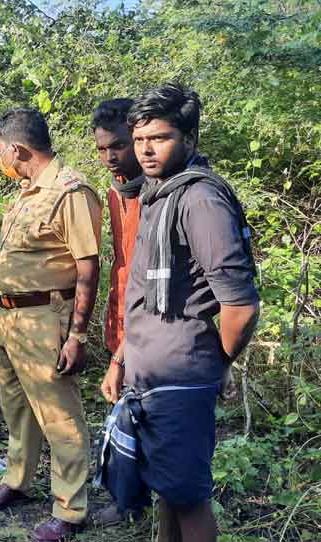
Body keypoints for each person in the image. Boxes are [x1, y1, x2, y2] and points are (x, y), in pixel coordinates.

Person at [97, 83, 259, 542]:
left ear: (189, 138)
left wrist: (219, 362)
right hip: (149, 372)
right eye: (140, 139)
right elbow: (146, 295)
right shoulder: (158, 193)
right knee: (168, 489)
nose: (146, 150)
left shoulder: (199, 200)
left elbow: (240, 305)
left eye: (160, 138)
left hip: (180, 376)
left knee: (188, 498)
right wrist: (122, 358)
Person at [0, 108, 102, 542]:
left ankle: (69, 510)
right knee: (18, 410)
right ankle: (17, 481)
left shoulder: (71, 192)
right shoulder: (28, 192)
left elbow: (88, 266)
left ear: (17, 149)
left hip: (45, 319)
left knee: (59, 416)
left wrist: (77, 334)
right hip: (8, 319)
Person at [90, 98, 146, 526]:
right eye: (103, 149)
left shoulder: (159, 192)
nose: (111, 156)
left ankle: (141, 501)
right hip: (122, 313)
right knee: (126, 411)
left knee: (147, 411)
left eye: (119, 146)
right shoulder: (116, 191)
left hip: (150, 326)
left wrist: (122, 352)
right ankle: (130, 500)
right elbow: (122, 261)